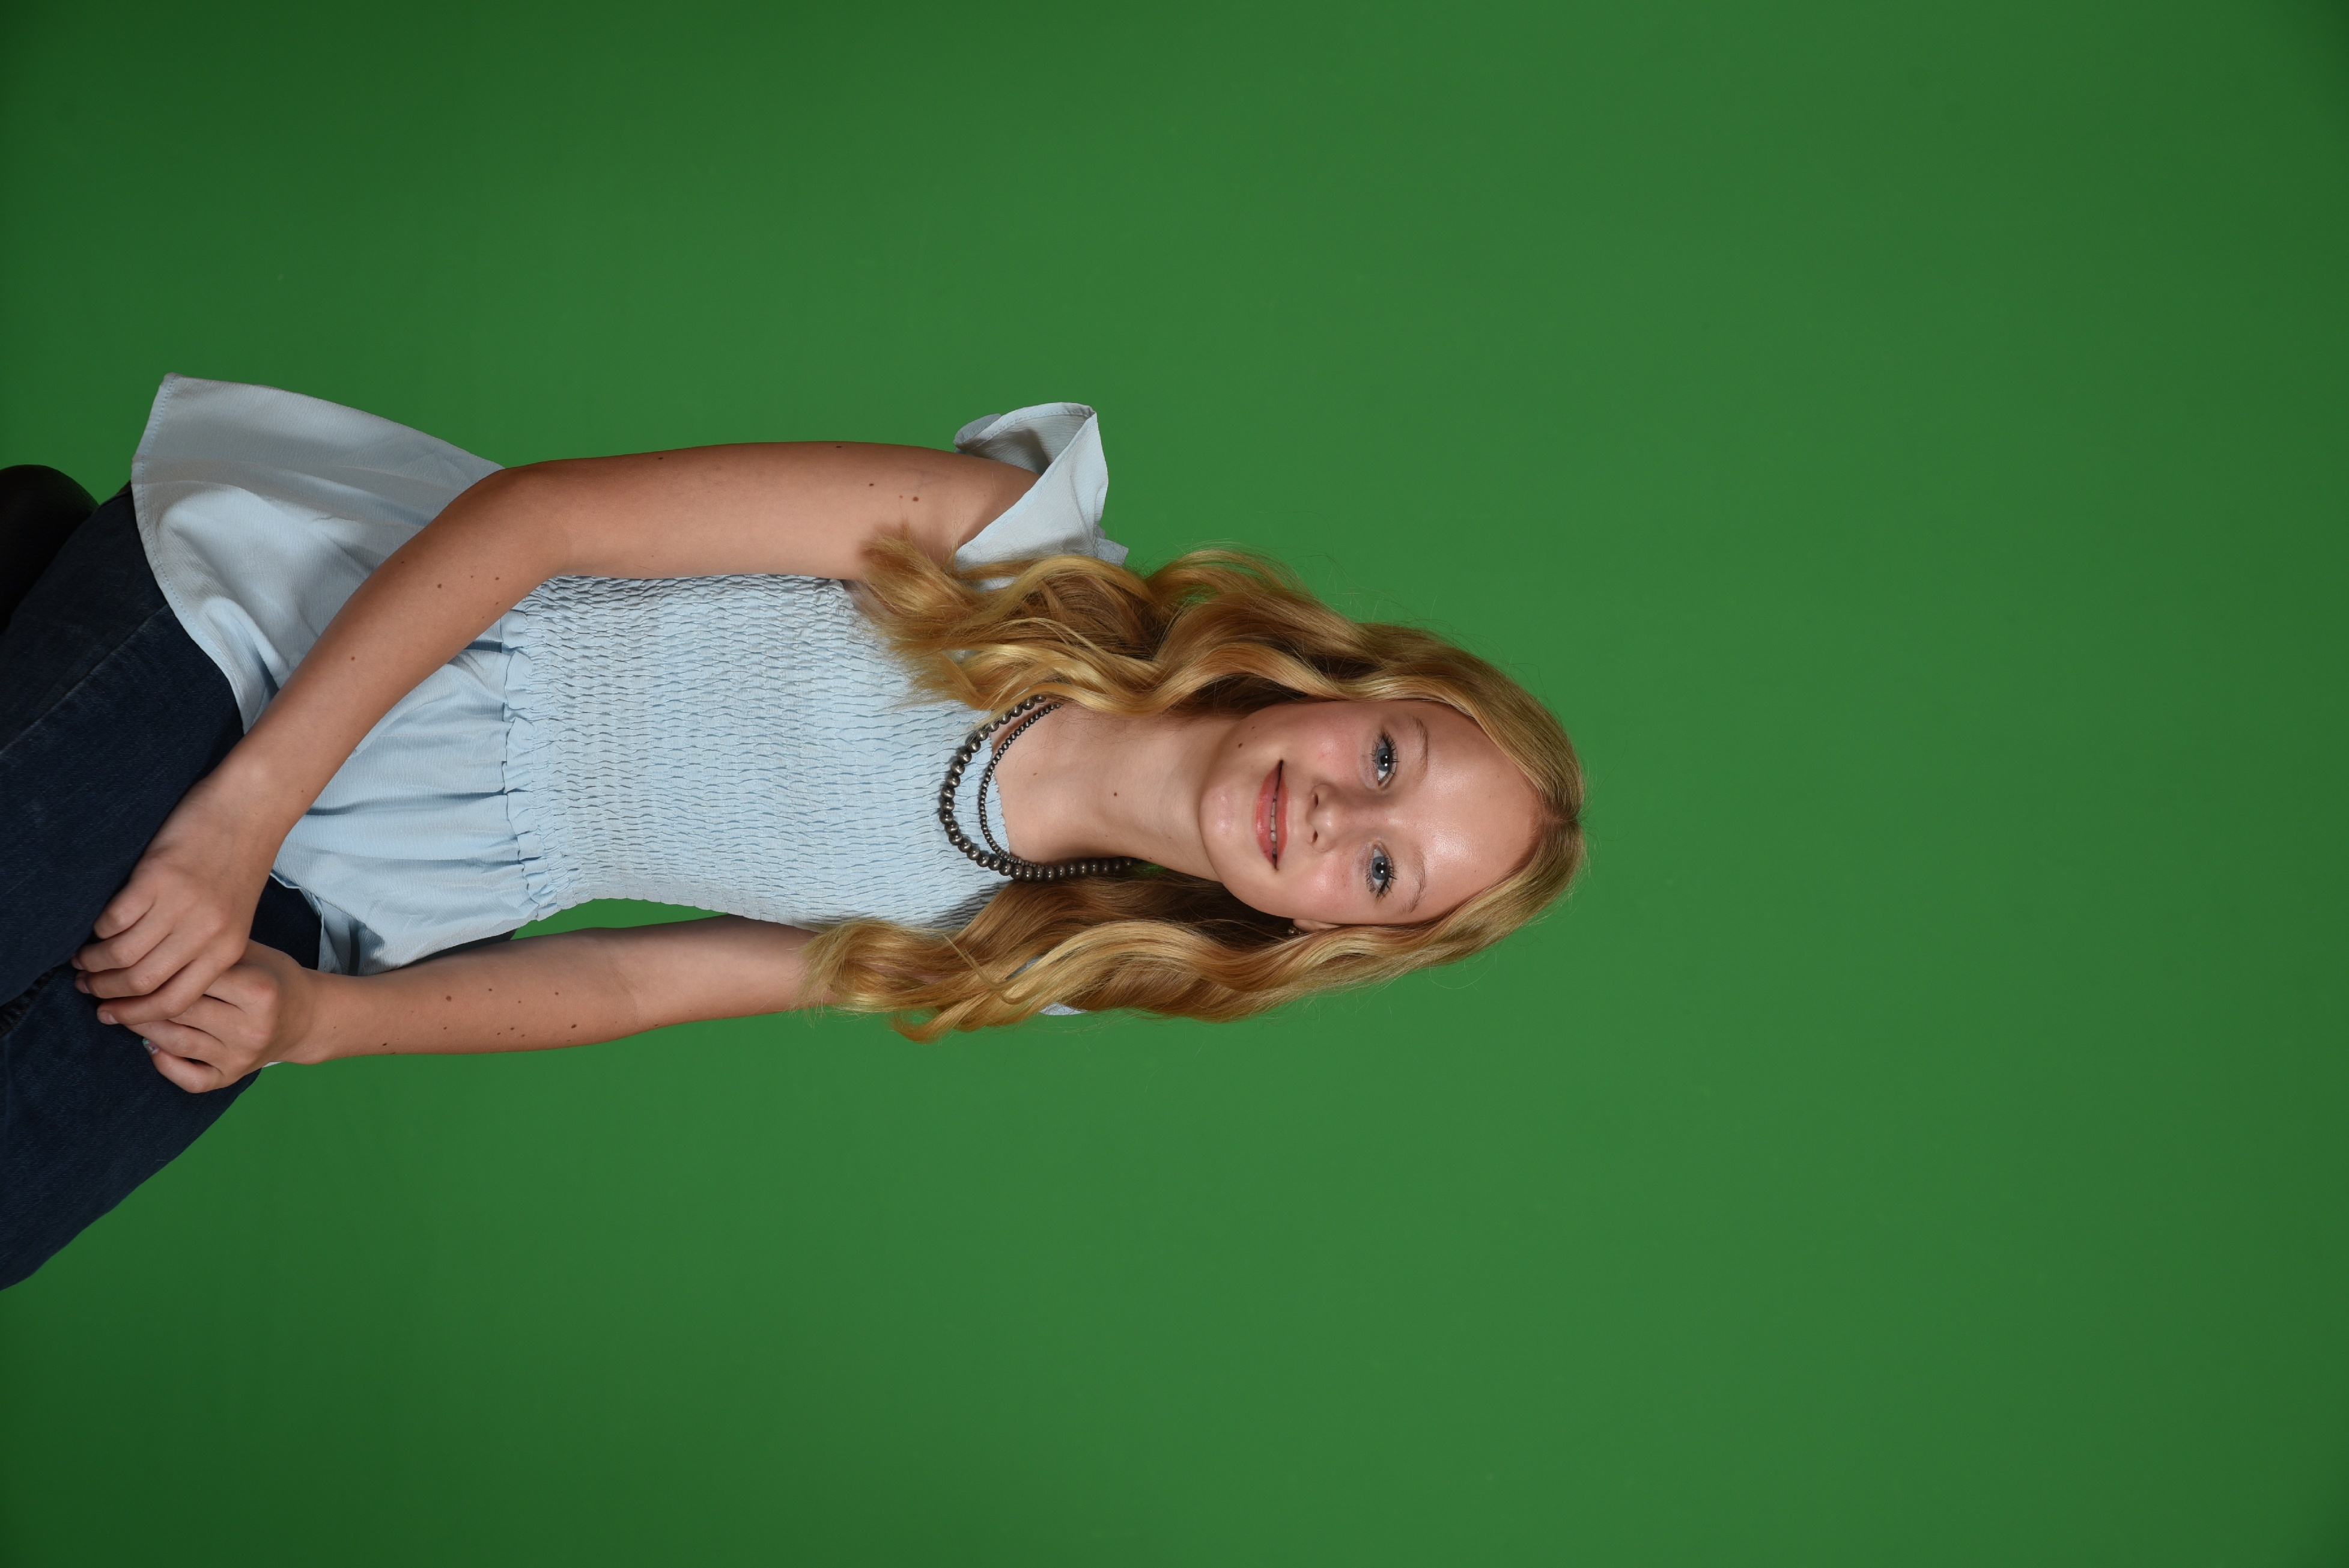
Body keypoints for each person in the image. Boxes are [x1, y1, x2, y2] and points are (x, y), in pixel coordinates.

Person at [0, 376, 1584, 1288]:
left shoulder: (1042, 945)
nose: (1339, 813)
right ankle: (42, 584)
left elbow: (638, 982)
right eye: (1389, 754)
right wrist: (246, 805)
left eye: (1384, 867)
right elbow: (544, 519)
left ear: (1330, 930)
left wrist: (319, 1019)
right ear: (1342, 678)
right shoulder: (1014, 550)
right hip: (278, 649)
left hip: (364, 885)